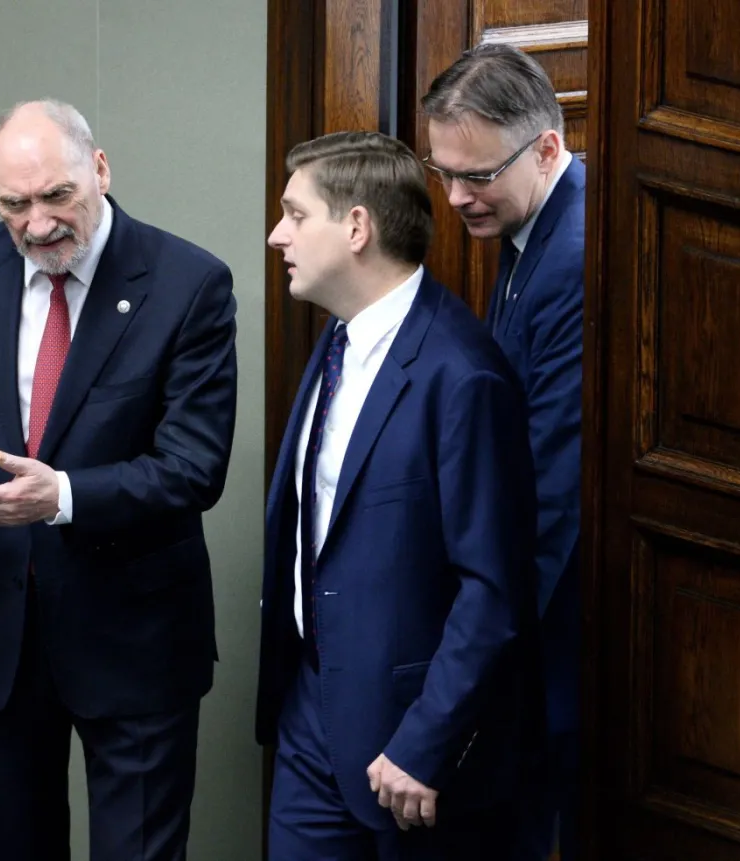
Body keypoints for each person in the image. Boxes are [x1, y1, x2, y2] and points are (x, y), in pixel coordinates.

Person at [0, 99, 238, 861]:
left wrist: (65, 497)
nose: (37, 224)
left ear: (99, 169)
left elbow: (193, 466)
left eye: (56, 196)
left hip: (136, 642)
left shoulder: (188, 283)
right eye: (14, 204)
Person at [256, 131, 545, 860]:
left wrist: (427, 741)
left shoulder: (463, 376)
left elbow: (495, 588)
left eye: (296, 214)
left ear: (357, 227)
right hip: (309, 719)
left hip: (411, 751)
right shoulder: (334, 342)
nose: (276, 234)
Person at [422, 42, 584, 858]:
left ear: (547, 148)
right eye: (443, 172)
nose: (455, 198)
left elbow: (555, 483)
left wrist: (483, 651)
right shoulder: (530, 225)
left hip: (558, 628)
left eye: (476, 176)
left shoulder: (578, 253)